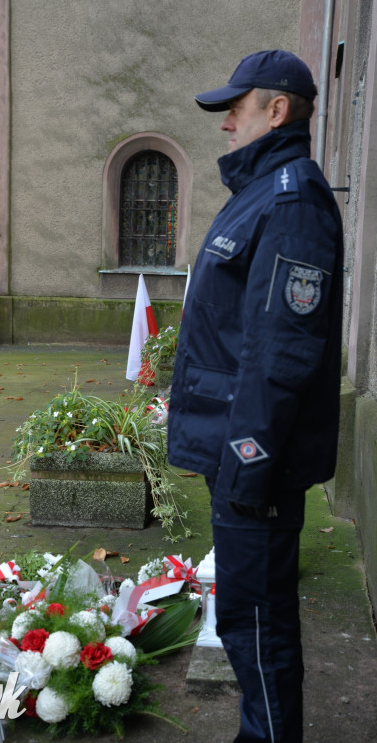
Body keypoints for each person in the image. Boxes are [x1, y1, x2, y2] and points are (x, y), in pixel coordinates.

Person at [168, 50, 344, 742]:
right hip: (240, 457)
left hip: (254, 465)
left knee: (257, 621)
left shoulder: (292, 203)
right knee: (245, 614)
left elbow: (283, 355)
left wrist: (246, 461)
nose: (224, 125)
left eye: (234, 110)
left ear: (277, 111)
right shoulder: (263, 193)